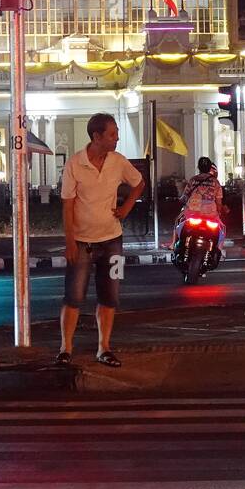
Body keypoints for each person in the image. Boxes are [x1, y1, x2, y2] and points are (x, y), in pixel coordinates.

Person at [58, 113, 145, 368]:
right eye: (112, 134)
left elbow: (139, 184)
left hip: (112, 241)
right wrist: (70, 242)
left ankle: (104, 348)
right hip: (82, 242)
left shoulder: (118, 161)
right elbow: (67, 206)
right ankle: (66, 348)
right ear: (97, 137)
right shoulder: (75, 164)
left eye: (116, 133)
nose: (117, 138)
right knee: (73, 297)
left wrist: (127, 206)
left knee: (110, 297)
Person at [174, 157, 228, 251]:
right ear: (210, 168)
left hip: (192, 211)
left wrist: (180, 201)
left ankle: (172, 244)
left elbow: (185, 196)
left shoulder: (193, 180)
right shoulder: (215, 182)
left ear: (198, 167)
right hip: (210, 213)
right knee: (222, 228)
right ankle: (219, 251)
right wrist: (219, 212)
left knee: (178, 221)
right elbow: (219, 202)